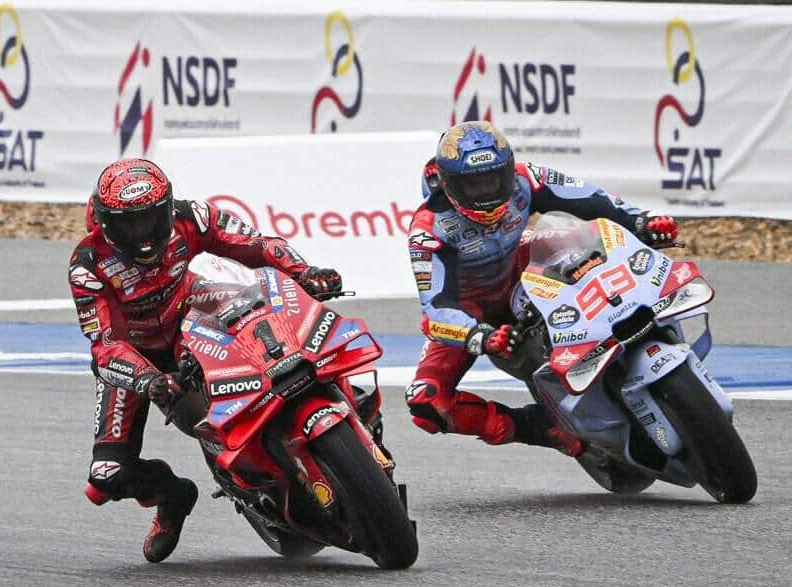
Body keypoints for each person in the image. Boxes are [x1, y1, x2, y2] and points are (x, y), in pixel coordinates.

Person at [69, 158, 341, 563]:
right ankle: (174, 496)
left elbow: (257, 246)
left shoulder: (193, 217)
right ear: (106, 224)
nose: (143, 234)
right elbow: (105, 346)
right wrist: (147, 379)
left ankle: (337, 399)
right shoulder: (88, 265)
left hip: (194, 321)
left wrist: (305, 272)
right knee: (106, 477)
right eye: (130, 224)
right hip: (135, 358)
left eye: (150, 219)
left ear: (167, 209)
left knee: (274, 329)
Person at [405, 121, 678, 452]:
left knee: (576, 240)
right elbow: (436, 308)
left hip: (523, 273)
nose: (486, 193)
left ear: (508, 169)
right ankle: (538, 427)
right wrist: (479, 335)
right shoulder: (428, 230)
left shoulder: (526, 178)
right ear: (448, 185)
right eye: (473, 185)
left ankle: (649, 319)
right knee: (425, 402)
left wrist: (640, 221)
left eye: (493, 179)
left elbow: (590, 197)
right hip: (471, 313)